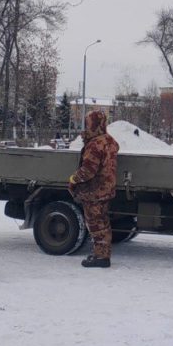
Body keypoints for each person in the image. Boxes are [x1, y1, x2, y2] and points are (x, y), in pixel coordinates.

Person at [69, 110, 119, 268]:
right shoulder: (110, 141)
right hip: (106, 189)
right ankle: (102, 254)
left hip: (94, 191)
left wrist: (73, 179)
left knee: (95, 224)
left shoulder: (95, 144)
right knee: (103, 222)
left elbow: (88, 171)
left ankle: (101, 257)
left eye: (87, 122)